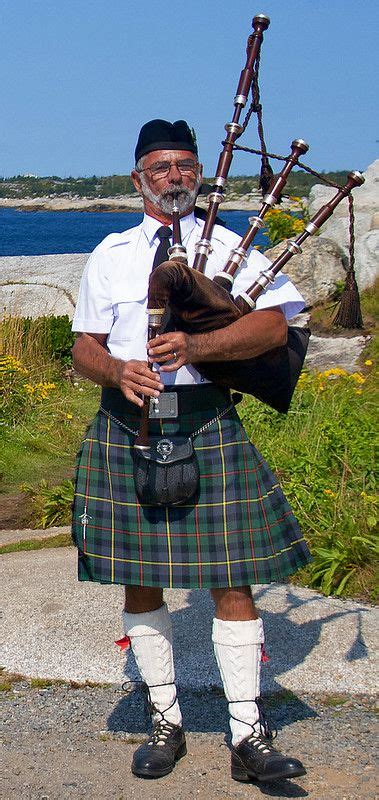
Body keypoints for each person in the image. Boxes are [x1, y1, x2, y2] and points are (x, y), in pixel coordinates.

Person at [71, 119, 311, 783]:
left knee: (231, 578)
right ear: (138, 177)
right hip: (128, 425)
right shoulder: (112, 253)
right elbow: (84, 344)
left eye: (185, 165)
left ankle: (248, 733)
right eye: (161, 166)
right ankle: (164, 722)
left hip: (206, 422)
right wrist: (116, 371)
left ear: (199, 173)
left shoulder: (231, 247)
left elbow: (272, 325)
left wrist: (198, 348)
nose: (174, 176)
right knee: (139, 577)